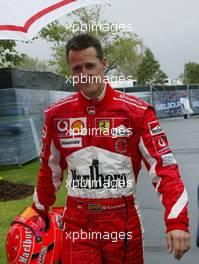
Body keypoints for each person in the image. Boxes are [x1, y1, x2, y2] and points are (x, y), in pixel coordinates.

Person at [32, 34, 190, 263]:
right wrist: (38, 211)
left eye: (90, 66)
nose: (84, 74)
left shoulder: (137, 112)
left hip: (123, 220)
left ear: (103, 64)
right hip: (77, 222)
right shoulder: (56, 115)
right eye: (76, 68)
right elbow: (49, 170)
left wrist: (177, 221)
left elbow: (165, 168)